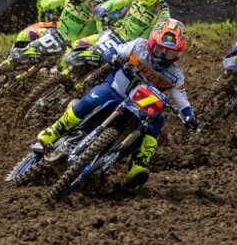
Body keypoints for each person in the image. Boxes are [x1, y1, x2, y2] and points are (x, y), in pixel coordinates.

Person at [34, 18, 196, 188]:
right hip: (114, 91)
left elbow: (182, 99)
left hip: (142, 108)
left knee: (158, 120)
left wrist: (189, 116)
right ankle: (55, 130)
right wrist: (111, 56)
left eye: (169, 53)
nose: (162, 55)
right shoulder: (138, 46)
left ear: (177, 54)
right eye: (159, 49)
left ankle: (138, 164)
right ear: (151, 43)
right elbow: (114, 50)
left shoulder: (176, 76)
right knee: (91, 99)